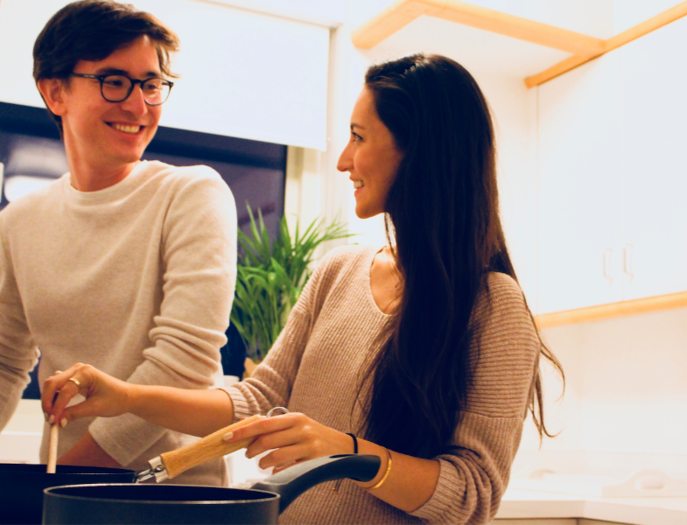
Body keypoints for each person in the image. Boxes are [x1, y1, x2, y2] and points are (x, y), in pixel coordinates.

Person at [43, 53, 564, 524]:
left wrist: (347, 452)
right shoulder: (337, 272)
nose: (343, 159)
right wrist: (126, 397)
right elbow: (257, 400)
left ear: (419, 152)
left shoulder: (493, 307)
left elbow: (473, 495)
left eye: (359, 137)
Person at [0, 0, 238, 486]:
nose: (138, 105)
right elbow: (5, 360)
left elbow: (184, 363)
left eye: (151, 85)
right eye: (114, 81)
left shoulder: (190, 193)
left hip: (174, 494)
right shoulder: (19, 221)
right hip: (67, 492)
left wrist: (69, 477)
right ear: (54, 92)